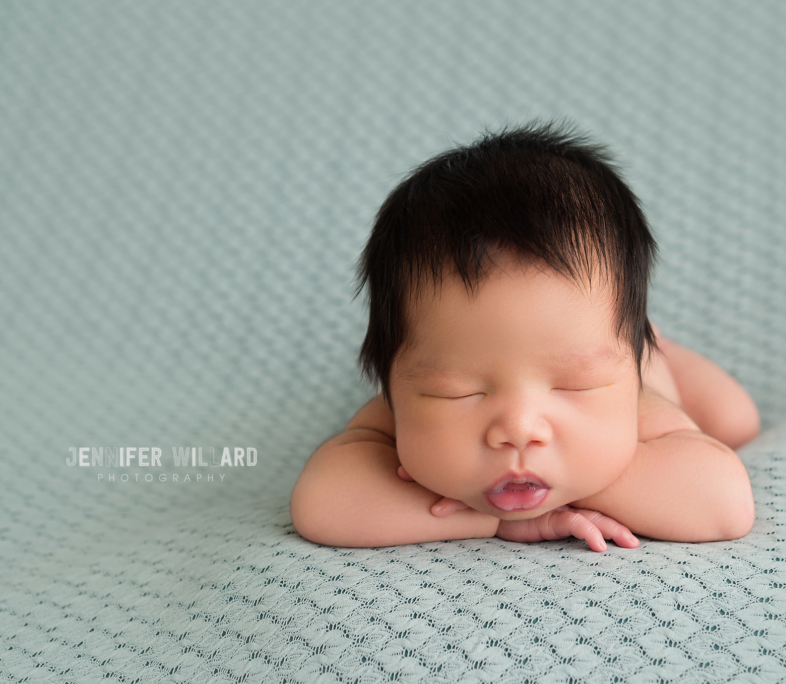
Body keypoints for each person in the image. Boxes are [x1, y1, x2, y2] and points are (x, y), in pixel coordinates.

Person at [290, 119, 760, 552]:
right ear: (390, 380)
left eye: (574, 384)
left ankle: (658, 342)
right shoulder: (402, 412)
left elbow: (723, 504)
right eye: (458, 391)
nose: (518, 429)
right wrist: (499, 521)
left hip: (657, 368)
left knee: (735, 421)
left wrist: (583, 475)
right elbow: (322, 503)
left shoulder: (639, 405)